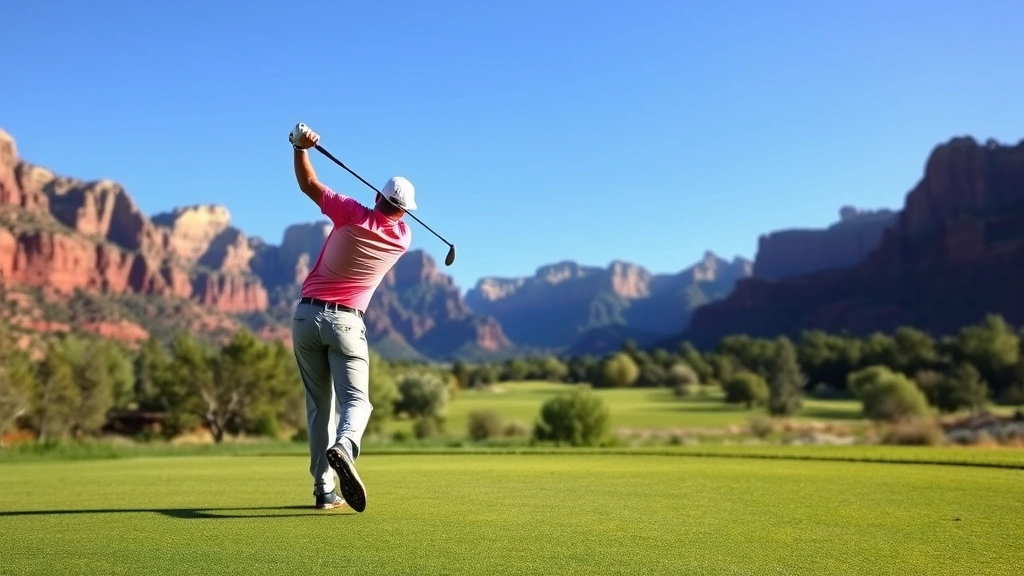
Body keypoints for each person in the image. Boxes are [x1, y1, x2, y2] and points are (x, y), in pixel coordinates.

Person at [287, 122, 415, 512]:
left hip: (306, 318)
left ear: (378, 195)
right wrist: (389, 204)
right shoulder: (402, 239)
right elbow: (393, 216)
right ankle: (345, 446)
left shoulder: (351, 214)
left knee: (318, 408)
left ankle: (323, 490)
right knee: (357, 402)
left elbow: (310, 185)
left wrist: (300, 146)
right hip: (346, 324)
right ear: (405, 211)